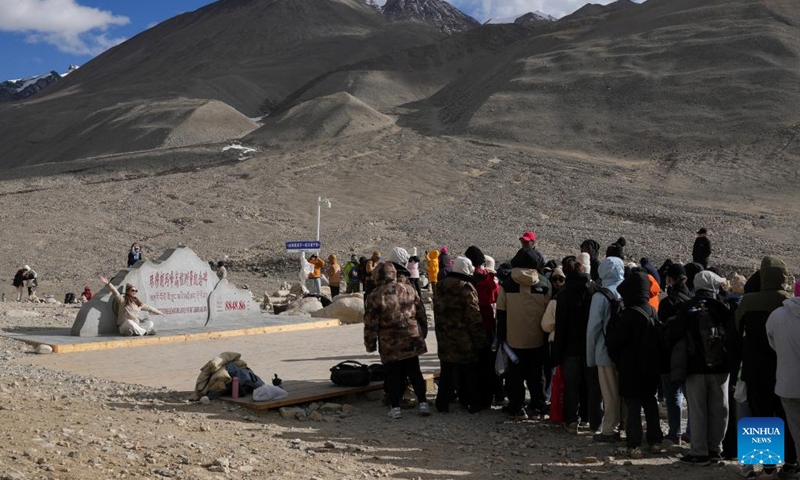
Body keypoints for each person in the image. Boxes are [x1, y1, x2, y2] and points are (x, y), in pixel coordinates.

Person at [736, 256, 797, 477]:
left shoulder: (748, 302)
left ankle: (767, 466)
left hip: (754, 368)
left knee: (760, 415)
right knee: (785, 416)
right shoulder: (788, 302)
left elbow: (735, 332)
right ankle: (790, 463)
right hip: (783, 367)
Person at [668, 271, 732, 466]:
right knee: (720, 409)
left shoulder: (688, 307)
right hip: (721, 367)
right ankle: (715, 449)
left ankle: (699, 451)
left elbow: (675, 333)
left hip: (694, 366)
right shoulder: (723, 306)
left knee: (697, 410)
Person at [608, 271, 665, 458]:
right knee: (650, 403)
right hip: (651, 367)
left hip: (630, 368)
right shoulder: (653, 311)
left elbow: (615, 343)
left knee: (632, 406)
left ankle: (635, 445)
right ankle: (655, 442)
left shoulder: (627, 315)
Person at [364, 262, 430, 419]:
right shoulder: (408, 288)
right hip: (412, 337)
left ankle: (395, 407)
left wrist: (370, 344)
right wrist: (422, 333)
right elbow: (421, 313)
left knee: (393, 374)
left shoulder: (375, 295)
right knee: (415, 372)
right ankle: (423, 403)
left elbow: (370, 324)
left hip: (390, 341)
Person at [496, 248, 552, 420]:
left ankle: (517, 408)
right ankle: (537, 407)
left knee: (515, 376)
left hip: (513, 340)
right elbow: (548, 313)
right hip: (537, 338)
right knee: (537, 375)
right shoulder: (543, 284)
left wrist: (501, 337)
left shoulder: (507, 285)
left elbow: (501, 313)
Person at [553, 258, 602, 435]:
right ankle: (594, 420)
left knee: (571, 386)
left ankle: (571, 420)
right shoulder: (592, 291)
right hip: (591, 346)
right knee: (592, 386)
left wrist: (556, 354)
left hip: (570, 348)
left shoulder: (564, 295)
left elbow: (561, 327)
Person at [434, 256, 489, 413]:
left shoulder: (440, 285)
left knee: (446, 371)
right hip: (463, 338)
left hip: (444, 335)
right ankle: (473, 404)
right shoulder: (466, 287)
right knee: (470, 372)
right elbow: (473, 316)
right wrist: (481, 340)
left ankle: (442, 404)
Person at [587, 256, 626, 442]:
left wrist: (590, 357)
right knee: (625, 391)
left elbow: (593, 329)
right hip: (626, 351)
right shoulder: (630, 290)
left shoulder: (600, 296)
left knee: (609, 393)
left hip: (605, 351)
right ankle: (627, 425)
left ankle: (610, 429)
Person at [766, 290, 800, 479]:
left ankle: (767, 469)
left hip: (786, 383)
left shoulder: (777, 315)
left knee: (796, 430)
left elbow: (772, 343)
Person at [659, 263, 692, 445]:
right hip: (689, 357)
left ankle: (675, 433)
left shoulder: (668, 302)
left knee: (673, 397)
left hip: (669, 357)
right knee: (690, 398)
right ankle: (690, 432)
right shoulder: (691, 300)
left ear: (669, 280)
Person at [465, 246, 501, 408]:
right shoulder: (490, 279)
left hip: (470, 327)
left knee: (473, 365)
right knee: (489, 364)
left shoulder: (466, 279)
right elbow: (496, 298)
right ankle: (490, 397)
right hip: (488, 325)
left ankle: (472, 398)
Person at [99, 275, 164, 336]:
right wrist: (108, 283)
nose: (134, 292)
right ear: (127, 291)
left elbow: (149, 308)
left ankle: (132, 332)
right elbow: (115, 292)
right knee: (129, 322)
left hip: (136, 324)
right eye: (132, 290)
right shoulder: (122, 300)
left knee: (150, 323)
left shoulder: (138, 303)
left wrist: (159, 312)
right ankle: (145, 332)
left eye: (136, 291)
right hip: (124, 325)